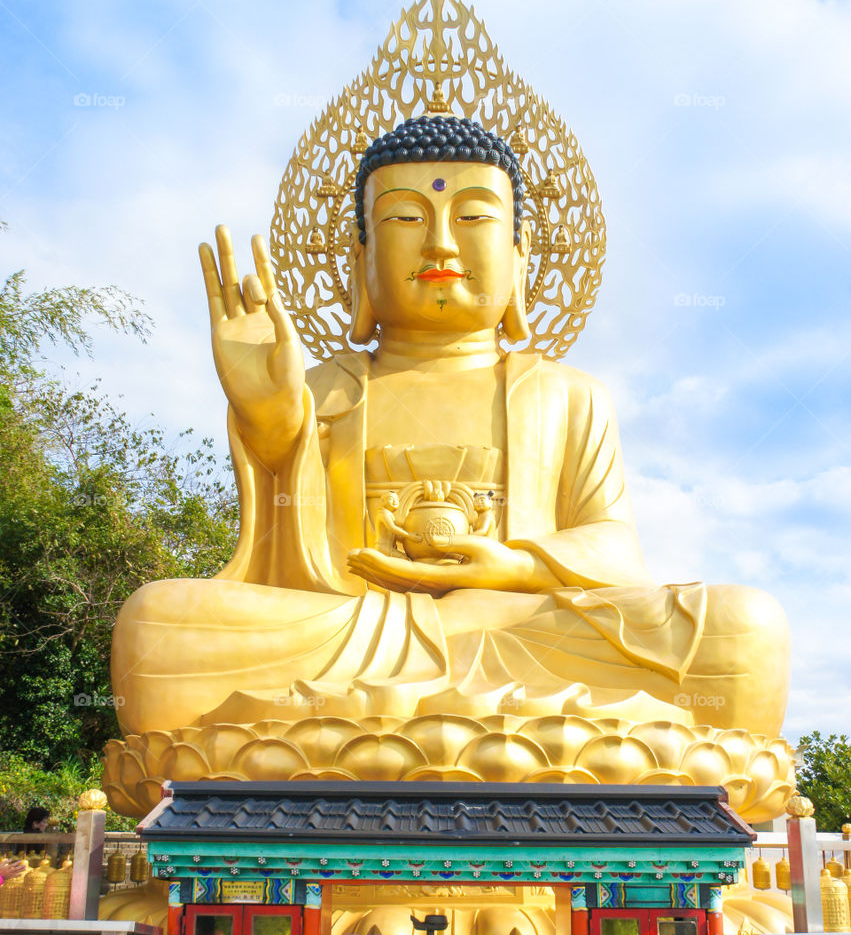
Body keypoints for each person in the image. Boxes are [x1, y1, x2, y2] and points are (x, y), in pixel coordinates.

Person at [111, 114, 789, 751]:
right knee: (157, 626)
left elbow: (614, 547)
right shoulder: (318, 389)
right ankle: (497, 724)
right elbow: (281, 570)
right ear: (360, 262)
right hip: (351, 631)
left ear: (519, 261)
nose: (439, 242)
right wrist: (268, 416)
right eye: (404, 218)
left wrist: (516, 568)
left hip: (518, 631)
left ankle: (372, 720)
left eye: (472, 217)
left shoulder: (567, 393)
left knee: (742, 629)